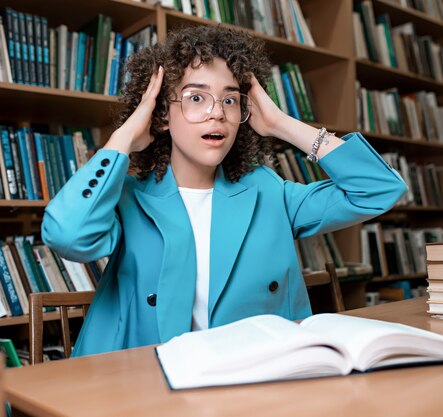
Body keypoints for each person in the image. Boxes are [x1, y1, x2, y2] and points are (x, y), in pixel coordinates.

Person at [42, 25, 407, 357]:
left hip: (257, 377)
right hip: (146, 381)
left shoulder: (268, 191)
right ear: (162, 115)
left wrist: (282, 124)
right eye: (196, 98)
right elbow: (67, 236)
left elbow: (378, 190)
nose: (216, 113)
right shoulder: (128, 198)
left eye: (230, 99)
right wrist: (121, 140)